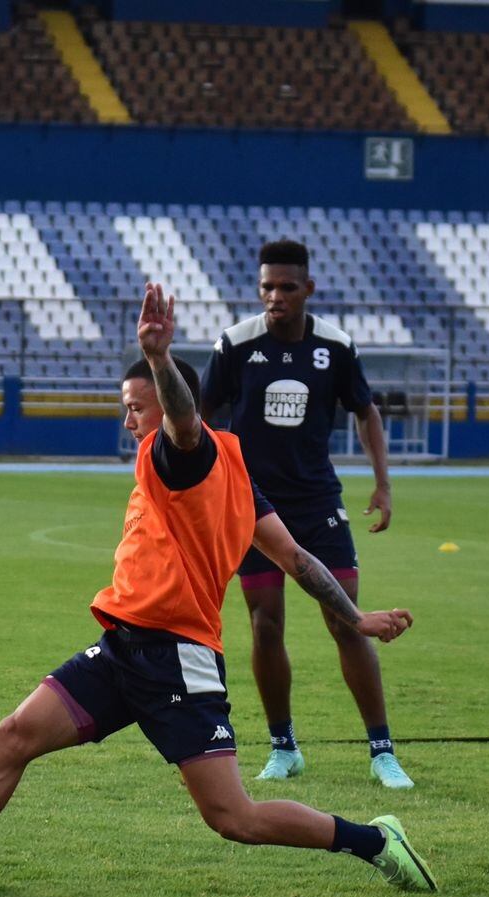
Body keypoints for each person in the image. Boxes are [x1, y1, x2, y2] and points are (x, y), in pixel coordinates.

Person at [0, 284, 434, 894]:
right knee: (13, 735)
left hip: (178, 659)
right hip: (124, 645)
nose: (129, 420)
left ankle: (375, 839)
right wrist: (355, 616)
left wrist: (157, 358)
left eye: (136, 407)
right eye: (125, 407)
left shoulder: (185, 450)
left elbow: (184, 428)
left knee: (235, 818)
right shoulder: (233, 465)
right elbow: (297, 558)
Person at [200, 240, 412, 787]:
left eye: (287, 287)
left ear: (308, 289)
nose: (275, 297)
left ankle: (382, 751)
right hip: (253, 504)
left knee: (347, 621)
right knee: (264, 622)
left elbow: (366, 410)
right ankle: (283, 745)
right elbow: (200, 418)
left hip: (318, 503)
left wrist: (383, 485)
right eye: (267, 287)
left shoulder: (335, 347)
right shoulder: (236, 345)